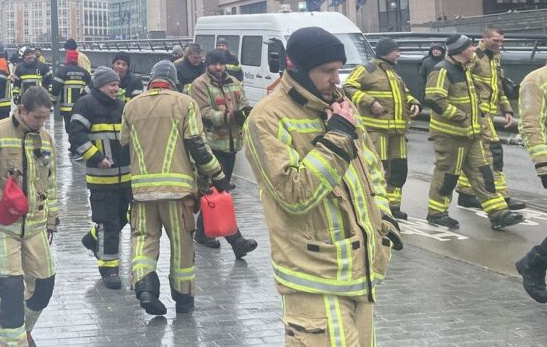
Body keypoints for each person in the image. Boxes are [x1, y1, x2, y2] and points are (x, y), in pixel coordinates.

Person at [244, 27, 401, 346]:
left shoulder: (340, 104)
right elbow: (294, 195)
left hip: (360, 272)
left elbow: (371, 168)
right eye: (326, 71)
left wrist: (384, 218)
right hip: (313, 277)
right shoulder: (266, 119)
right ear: (296, 68)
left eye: (339, 70)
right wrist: (337, 137)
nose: (336, 79)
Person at [121, 60, 230, 315]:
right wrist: (217, 174)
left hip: (142, 191)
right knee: (182, 245)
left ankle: (145, 286)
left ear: (151, 79)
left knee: (143, 240)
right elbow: (197, 145)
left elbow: (123, 143)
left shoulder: (131, 106)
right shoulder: (185, 103)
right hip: (178, 192)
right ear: (174, 81)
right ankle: (183, 298)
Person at [0, 87, 58, 346]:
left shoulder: (46, 139)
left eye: (45, 118)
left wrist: (52, 218)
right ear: (22, 111)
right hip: (2, 226)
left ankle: (24, 329)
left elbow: (50, 181)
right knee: (10, 291)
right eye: (36, 118)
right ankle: (14, 342)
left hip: (35, 226)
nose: (41, 123)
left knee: (44, 285)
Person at [423, 34, 524, 229]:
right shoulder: (442, 70)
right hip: (451, 136)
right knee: (447, 175)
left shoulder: (464, 69)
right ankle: (436, 213)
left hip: (471, 134)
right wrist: (462, 116)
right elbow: (434, 99)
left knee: (483, 173)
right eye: (469, 47)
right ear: (460, 51)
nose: (473, 50)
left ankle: (498, 213)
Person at [188, 49, 258, 257]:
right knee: (219, 191)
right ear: (207, 64)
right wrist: (230, 116)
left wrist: (244, 114)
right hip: (211, 145)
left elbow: (244, 104)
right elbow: (203, 113)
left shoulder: (235, 83)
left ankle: (202, 232)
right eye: (214, 64)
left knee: (214, 192)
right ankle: (236, 240)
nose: (218, 68)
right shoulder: (199, 85)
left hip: (231, 144)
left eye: (221, 64)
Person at [343, 37, 421, 220]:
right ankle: (376, 207)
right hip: (377, 130)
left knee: (399, 170)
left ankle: (393, 206)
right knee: (378, 169)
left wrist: (413, 102)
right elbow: (348, 87)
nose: (399, 54)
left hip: (398, 131)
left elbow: (404, 93)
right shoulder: (367, 69)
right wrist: (370, 102)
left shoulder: (394, 72)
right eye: (396, 50)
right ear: (386, 51)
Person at [70, 67, 131, 290]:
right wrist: (96, 157)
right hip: (101, 177)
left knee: (124, 216)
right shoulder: (86, 104)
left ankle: (93, 238)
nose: (116, 88)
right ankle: (109, 269)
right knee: (109, 222)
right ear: (100, 85)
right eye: (111, 85)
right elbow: (76, 134)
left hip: (125, 176)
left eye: (117, 84)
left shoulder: (123, 106)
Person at [456, 28, 526, 210]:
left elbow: (498, 86)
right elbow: (461, 82)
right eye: (495, 40)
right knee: (493, 152)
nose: (499, 44)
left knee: (477, 153)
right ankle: (500, 196)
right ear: (484, 38)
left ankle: (466, 192)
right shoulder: (475, 57)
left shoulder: (494, 57)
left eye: (502, 41)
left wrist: (507, 109)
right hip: (478, 113)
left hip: (488, 113)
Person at [515, 36, 547, 304]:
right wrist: (546, 167)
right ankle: (535, 263)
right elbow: (531, 126)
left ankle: (533, 262)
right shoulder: (537, 80)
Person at [51, 49, 90, 150]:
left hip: (67, 108)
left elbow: (55, 87)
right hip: (81, 107)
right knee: (79, 127)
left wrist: (53, 100)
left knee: (69, 128)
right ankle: (76, 147)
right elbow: (91, 87)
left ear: (67, 59)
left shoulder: (62, 71)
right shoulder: (84, 72)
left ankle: (74, 147)